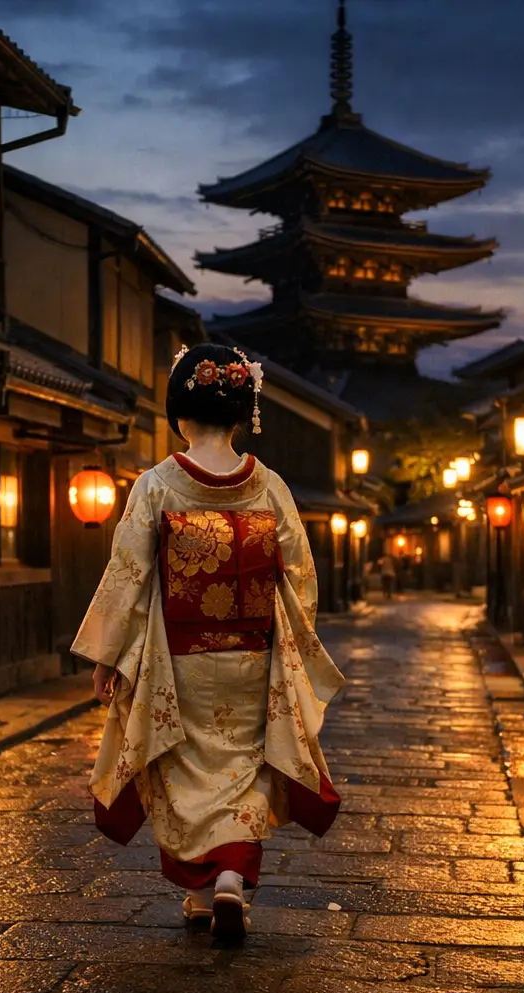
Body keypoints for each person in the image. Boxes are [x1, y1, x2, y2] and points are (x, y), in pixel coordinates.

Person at [72, 343, 345, 943]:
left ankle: (204, 887)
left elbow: (128, 575)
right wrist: (291, 641)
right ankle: (225, 884)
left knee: (184, 772)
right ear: (246, 412)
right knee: (244, 769)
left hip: (180, 659)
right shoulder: (268, 485)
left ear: (179, 414)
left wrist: (108, 656)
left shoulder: (156, 485)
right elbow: (298, 573)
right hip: (251, 653)